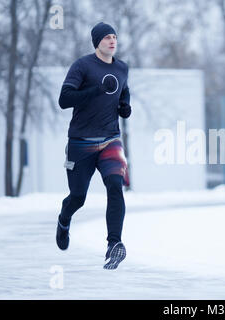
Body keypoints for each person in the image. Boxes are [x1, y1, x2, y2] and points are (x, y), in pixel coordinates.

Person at [55, 22, 132, 270]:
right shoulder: (82, 66)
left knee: (115, 186)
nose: (112, 41)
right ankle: (64, 219)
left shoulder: (122, 68)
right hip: (81, 143)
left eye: (114, 37)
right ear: (97, 42)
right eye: (107, 37)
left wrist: (125, 107)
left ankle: (114, 244)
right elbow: (64, 99)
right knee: (78, 197)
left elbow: (123, 93)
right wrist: (93, 91)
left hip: (110, 139)